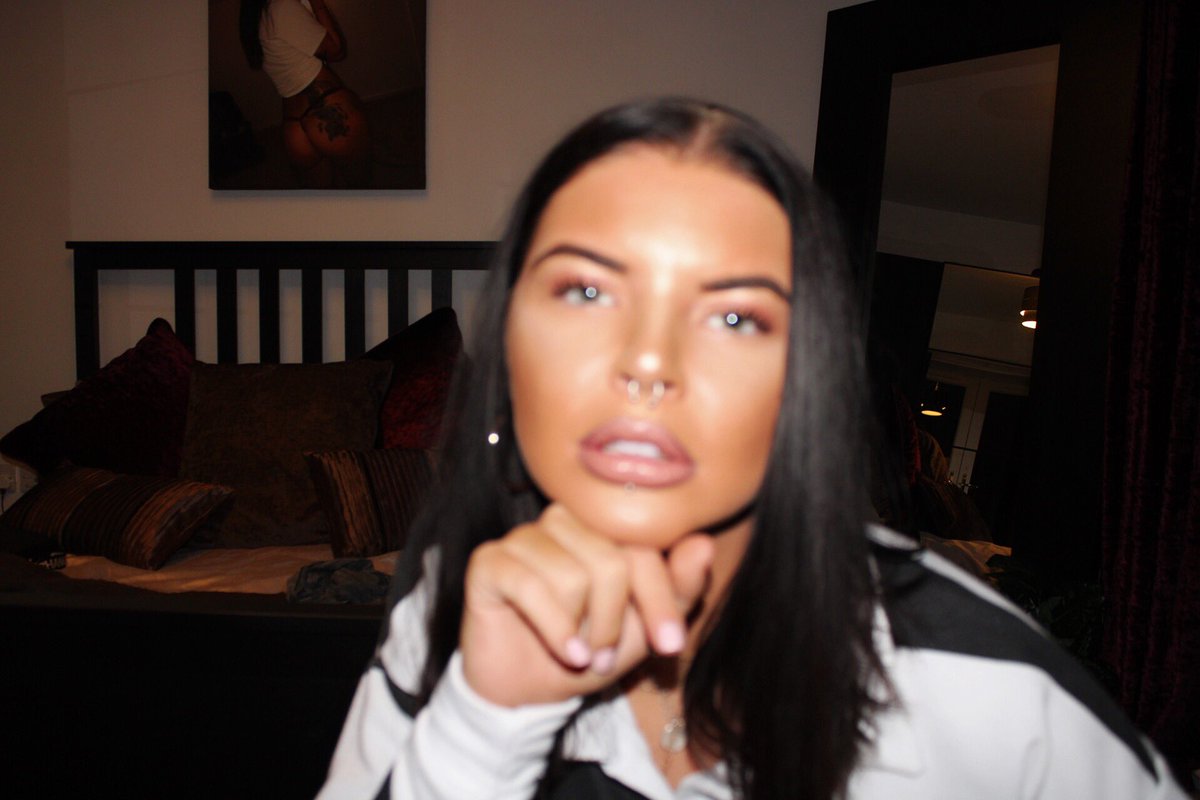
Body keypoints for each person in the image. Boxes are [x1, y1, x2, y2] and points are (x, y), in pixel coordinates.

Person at [317, 98, 1187, 799]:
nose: (648, 362)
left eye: (735, 316)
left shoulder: (983, 687)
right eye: (585, 290)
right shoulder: (452, 604)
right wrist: (479, 728)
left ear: (798, 385)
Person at [239, 0, 371, 188]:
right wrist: (318, 5)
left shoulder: (254, 16)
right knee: (361, 188)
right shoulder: (282, 6)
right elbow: (336, 51)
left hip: (293, 127)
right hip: (327, 108)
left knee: (320, 198)